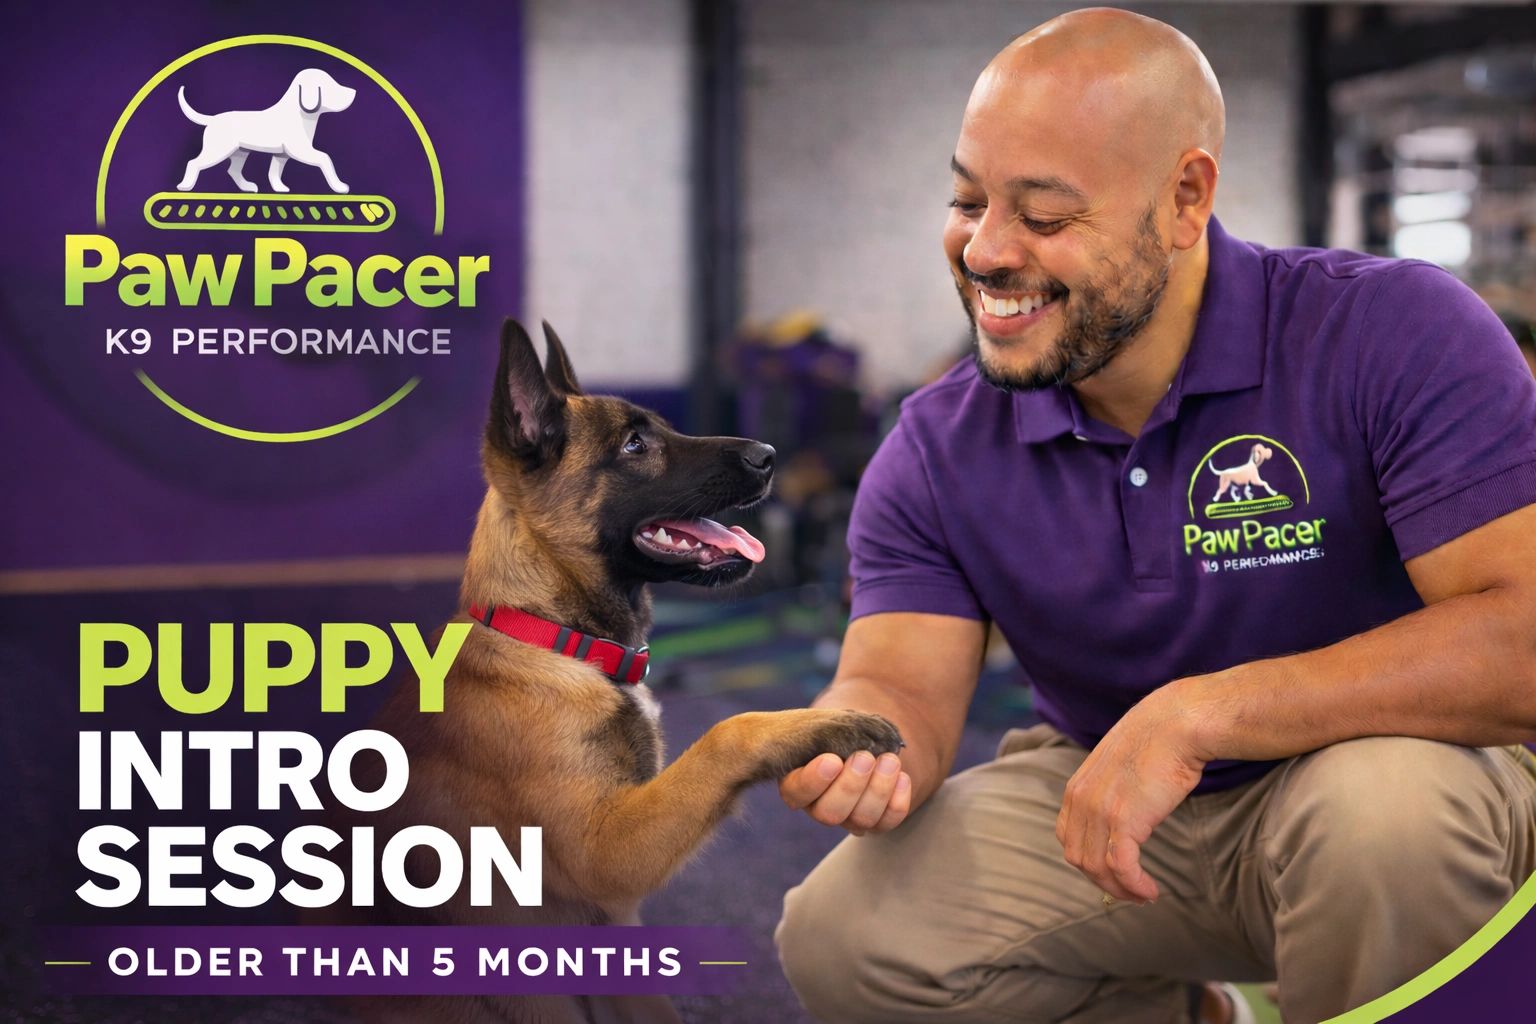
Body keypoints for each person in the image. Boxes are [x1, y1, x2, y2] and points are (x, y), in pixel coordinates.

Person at [772, 8, 1536, 1024]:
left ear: (1185, 199)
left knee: (1385, 820)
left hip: (1387, 773)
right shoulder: (937, 446)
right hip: (1113, 803)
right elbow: (898, 682)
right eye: (967, 200)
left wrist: (1203, 714)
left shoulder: (1392, 332)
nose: (985, 251)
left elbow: (1522, 642)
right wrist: (864, 745)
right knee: (846, 937)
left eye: (1044, 217)